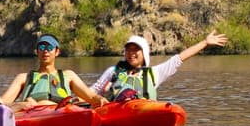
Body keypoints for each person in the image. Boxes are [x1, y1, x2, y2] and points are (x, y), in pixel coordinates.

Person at [92, 30, 228, 101]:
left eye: (135, 50)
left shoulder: (155, 73)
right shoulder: (113, 71)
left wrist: (204, 43)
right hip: (115, 111)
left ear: (144, 53)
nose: (131, 53)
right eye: (128, 49)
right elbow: (94, 90)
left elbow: (179, 58)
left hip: (143, 110)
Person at [0, 34, 107, 111]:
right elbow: (0, 104)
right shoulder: (23, 78)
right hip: (33, 114)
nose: (45, 51)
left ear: (57, 52)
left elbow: (91, 97)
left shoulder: (69, 75)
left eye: (49, 47)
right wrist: (19, 105)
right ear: (37, 52)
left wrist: (100, 99)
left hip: (62, 113)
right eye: (41, 47)